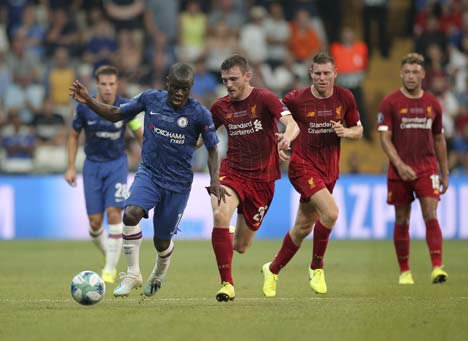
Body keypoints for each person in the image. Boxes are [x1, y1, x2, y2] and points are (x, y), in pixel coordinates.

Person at [69, 62, 226, 297]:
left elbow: (213, 148)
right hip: (150, 173)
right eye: (175, 88)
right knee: (130, 212)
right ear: (167, 84)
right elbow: (116, 114)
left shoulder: (199, 114)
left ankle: (158, 274)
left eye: (185, 89)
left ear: (191, 88)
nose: (179, 93)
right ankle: (132, 274)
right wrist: (89, 101)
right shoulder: (151, 99)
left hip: (178, 184)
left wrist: (215, 179)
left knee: (161, 243)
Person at [261, 52, 363, 297]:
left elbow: (358, 130)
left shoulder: (345, 97)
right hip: (302, 166)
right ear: (310, 73)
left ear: (335, 74)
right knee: (331, 212)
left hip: (329, 170)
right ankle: (317, 266)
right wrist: (277, 144)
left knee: (302, 228)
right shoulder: (296, 99)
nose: (322, 78)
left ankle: (272, 269)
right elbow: (271, 115)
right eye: (317, 73)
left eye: (327, 73)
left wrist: (345, 132)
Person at [209, 54, 299, 302]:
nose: (228, 84)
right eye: (225, 80)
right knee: (219, 214)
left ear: (247, 76)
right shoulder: (220, 107)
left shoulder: (264, 98)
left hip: (263, 179)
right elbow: (202, 137)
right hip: (232, 172)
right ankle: (226, 284)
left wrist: (286, 138)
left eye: (233, 79)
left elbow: (292, 125)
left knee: (241, 246)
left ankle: (231, 238)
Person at [65, 66, 142, 284]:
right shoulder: (83, 108)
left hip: (116, 165)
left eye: (112, 84)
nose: (108, 88)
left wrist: (147, 157)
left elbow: (139, 133)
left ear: (117, 85)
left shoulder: (126, 106)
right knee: (95, 222)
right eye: (104, 84)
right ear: (97, 85)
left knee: (114, 214)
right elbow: (73, 136)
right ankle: (111, 254)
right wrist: (70, 166)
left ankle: (109, 268)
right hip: (92, 166)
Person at [376, 53, 449, 285]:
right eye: (407, 72)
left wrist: (444, 173)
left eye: (415, 72)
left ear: (423, 74)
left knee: (430, 213)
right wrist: (400, 165)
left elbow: (439, 139)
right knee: (402, 219)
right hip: (399, 170)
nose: (410, 76)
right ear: (401, 73)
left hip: (427, 168)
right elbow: (384, 138)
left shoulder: (433, 104)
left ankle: (437, 267)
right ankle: (405, 271)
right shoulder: (390, 102)